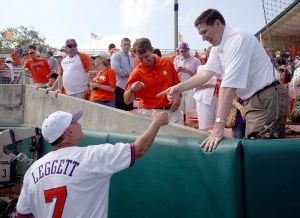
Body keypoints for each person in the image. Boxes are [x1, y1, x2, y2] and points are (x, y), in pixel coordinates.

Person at [158, 9, 289, 151]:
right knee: (255, 150)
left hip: (266, 97)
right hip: (254, 99)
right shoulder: (218, 46)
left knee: (260, 152)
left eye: (204, 32)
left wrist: (218, 127)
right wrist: (178, 87)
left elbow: (228, 86)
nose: (203, 38)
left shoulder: (237, 39)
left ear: (218, 24)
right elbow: (205, 74)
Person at [16, 110, 168, 218]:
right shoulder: (91, 156)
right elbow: (139, 149)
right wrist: (157, 122)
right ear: (69, 132)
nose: (79, 123)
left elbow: (22, 214)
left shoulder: (33, 170)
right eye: (75, 122)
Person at [124, 38, 182, 123]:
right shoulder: (136, 73)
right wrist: (131, 89)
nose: (144, 61)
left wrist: (179, 96)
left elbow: (177, 85)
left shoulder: (167, 62)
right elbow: (127, 100)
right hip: (149, 114)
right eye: (140, 58)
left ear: (152, 50)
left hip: (172, 112)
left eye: (146, 56)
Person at [173, 42, 200, 121]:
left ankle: (189, 128)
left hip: (191, 88)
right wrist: (177, 71)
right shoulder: (177, 61)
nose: (183, 53)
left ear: (188, 50)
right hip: (180, 89)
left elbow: (199, 76)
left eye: (184, 51)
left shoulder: (196, 61)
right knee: (179, 112)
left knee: (190, 111)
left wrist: (187, 71)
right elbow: (173, 76)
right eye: (181, 51)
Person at [111, 38, 134, 110]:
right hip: (119, 87)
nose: (127, 46)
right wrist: (128, 75)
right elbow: (115, 69)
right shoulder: (116, 55)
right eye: (125, 45)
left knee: (129, 110)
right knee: (120, 111)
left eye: (129, 45)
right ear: (121, 45)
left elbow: (132, 70)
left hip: (129, 88)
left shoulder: (130, 57)